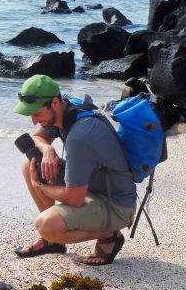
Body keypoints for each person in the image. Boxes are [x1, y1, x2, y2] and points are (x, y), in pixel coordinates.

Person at [13, 74, 137, 265]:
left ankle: (109, 234)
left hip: (116, 205)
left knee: (46, 225)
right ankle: (53, 241)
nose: (33, 120)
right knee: (31, 163)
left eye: (36, 113)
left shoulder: (80, 136)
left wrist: (41, 188)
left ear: (54, 102)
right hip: (94, 187)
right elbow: (38, 137)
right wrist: (47, 149)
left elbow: (74, 197)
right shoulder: (69, 107)